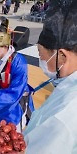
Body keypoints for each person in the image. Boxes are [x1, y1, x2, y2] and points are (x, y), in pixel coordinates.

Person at [24, 0, 77, 153]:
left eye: (40, 53)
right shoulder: (67, 85)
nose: (39, 58)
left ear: (62, 56)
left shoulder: (64, 116)